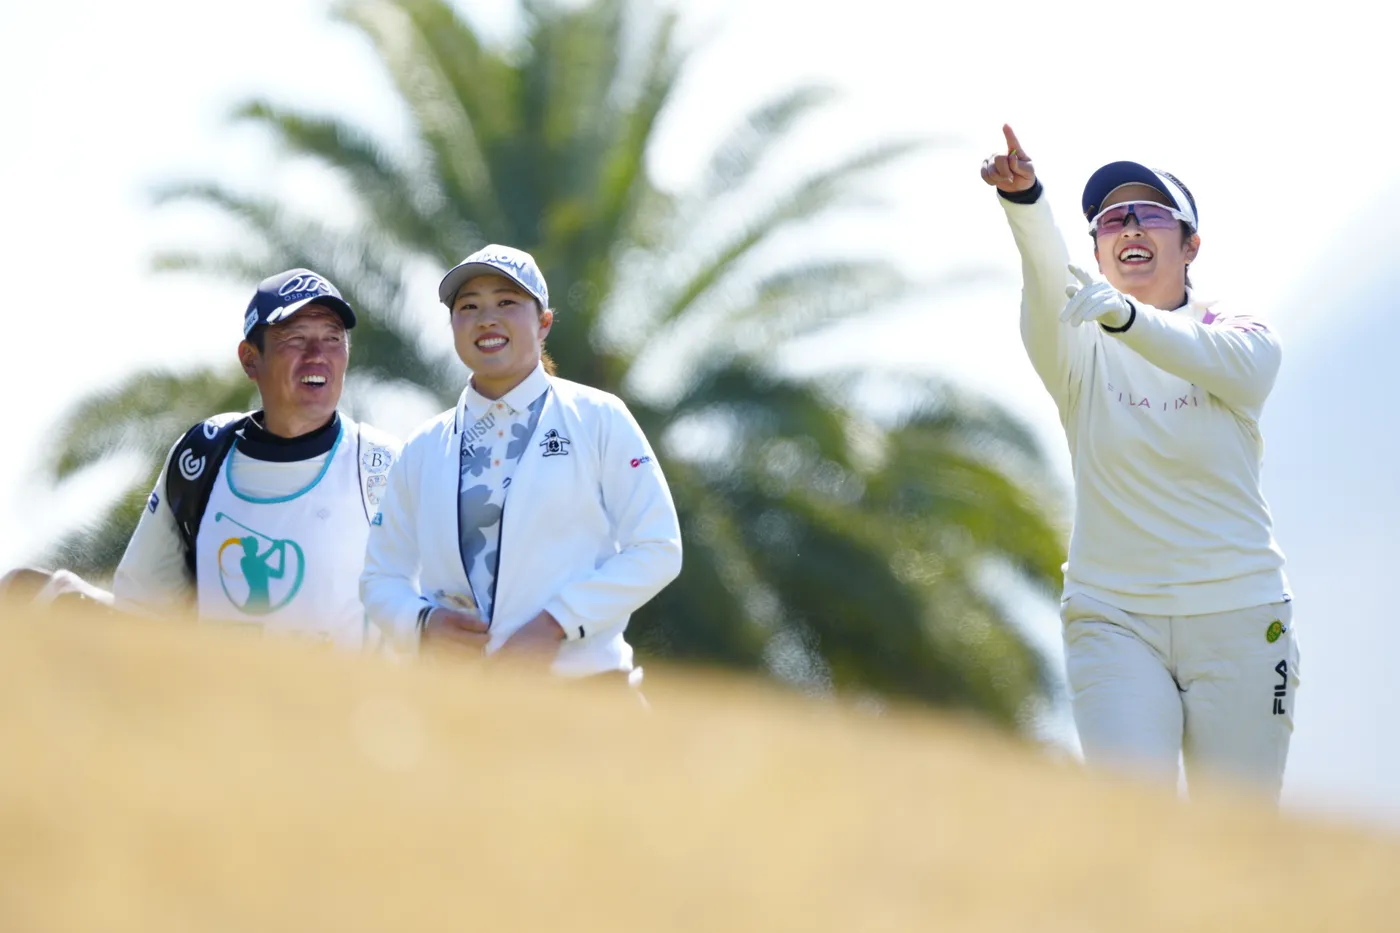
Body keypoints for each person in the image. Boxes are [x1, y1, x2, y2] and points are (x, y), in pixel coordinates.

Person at [980, 125, 1297, 799]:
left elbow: (1242, 366)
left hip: (1242, 615)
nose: (1127, 225)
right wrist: (1026, 201)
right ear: (1096, 249)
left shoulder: (1231, 327)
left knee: (1235, 839)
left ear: (1190, 245)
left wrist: (1128, 317)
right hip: (1113, 618)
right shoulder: (1076, 339)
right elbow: (1043, 274)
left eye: (1150, 214)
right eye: (1110, 219)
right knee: (1131, 818)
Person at [360, 245, 682, 682]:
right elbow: (381, 576)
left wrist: (556, 624)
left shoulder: (599, 417)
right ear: (452, 325)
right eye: (468, 307)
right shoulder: (422, 446)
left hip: (588, 689)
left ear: (543, 322)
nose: (486, 319)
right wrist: (423, 624)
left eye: (507, 302)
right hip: (461, 699)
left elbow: (658, 548)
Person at [113, 269, 401, 649]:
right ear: (250, 360)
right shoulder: (202, 456)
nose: (317, 355)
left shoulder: (387, 463)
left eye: (333, 338)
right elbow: (140, 608)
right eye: (296, 338)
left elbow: (436, 609)